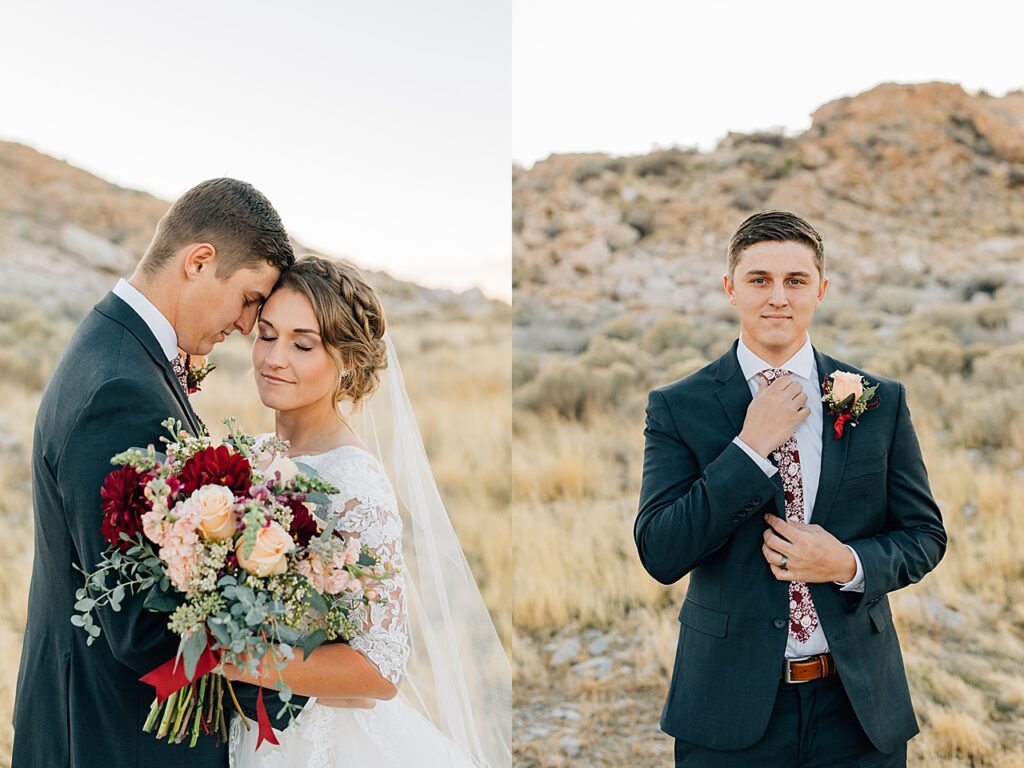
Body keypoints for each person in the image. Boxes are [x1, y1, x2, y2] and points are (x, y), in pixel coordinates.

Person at [635, 211, 946, 767]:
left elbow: (924, 534)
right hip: (728, 709)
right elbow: (660, 551)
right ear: (731, 288)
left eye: (795, 280)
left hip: (858, 709)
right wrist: (750, 450)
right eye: (759, 279)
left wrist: (848, 562)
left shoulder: (877, 399)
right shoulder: (678, 407)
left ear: (821, 291)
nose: (777, 296)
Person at [12, 178, 302, 767]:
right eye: (250, 299)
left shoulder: (116, 347)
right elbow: (141, 628)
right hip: (112, 735)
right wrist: (294, 672)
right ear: (200, 262)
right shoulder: (121, 388)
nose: (248, 325)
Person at [225, 255, 511, 767]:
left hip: (322, 744)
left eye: (302, 344)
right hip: (252, 730)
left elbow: (377, 670)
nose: (274, 357)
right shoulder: (258, 456)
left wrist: (232, 658)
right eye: (266, 334)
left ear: (348, 362)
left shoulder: (353, 482)